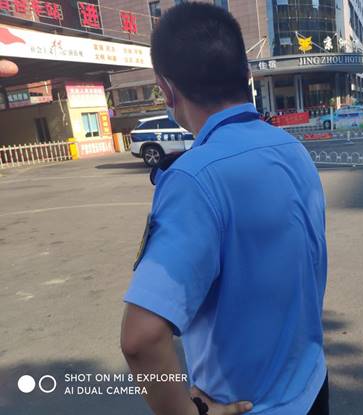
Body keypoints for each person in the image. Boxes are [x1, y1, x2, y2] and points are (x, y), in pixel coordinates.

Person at [120, 3, 328, 415]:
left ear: (166, 89)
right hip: (312, 386)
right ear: (246, 73)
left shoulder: (195, 177)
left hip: (247, 406)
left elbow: (140, 339)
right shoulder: (294, 150)